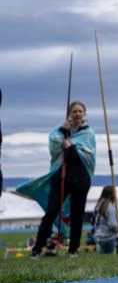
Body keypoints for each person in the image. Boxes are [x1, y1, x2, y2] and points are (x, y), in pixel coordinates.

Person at [21, 101, 96, 257]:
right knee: (51, 212)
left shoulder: (89, 133)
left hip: (81, 179)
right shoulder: (60, 131)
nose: (77, 114)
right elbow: (54, 145)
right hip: (61, 177)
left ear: (84, 114)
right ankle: (37, 248)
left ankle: (73, 250)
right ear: (69, 114)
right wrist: (63, 132)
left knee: (77, 215)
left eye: (80, 111)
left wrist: (72, 146)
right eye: (74, 111)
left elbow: (88, 155)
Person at [93, 186, 118, 254]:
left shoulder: (99, 205)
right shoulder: (110, 207)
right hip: (109, 238)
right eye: (115, 193)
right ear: (111, 195)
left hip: (99, 237)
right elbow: (112, 224)